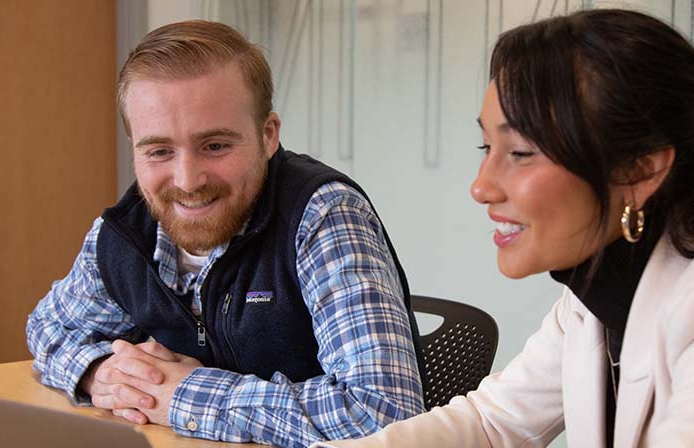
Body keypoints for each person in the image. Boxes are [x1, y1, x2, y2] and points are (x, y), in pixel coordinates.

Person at [26, 20, 425, 448]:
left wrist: (181, 394)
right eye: (159, 151)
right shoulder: (125, 233)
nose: (188, 180)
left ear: (268, 135)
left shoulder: (322, 214)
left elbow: (382, 412)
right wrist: (101, 373)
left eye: (214, 146)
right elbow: (49, 328)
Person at [313, 8, 694, 448]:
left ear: (639, 170)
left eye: (520, 152)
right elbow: (492, 423)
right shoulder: (591, 301)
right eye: (487, 146)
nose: (481, 187)